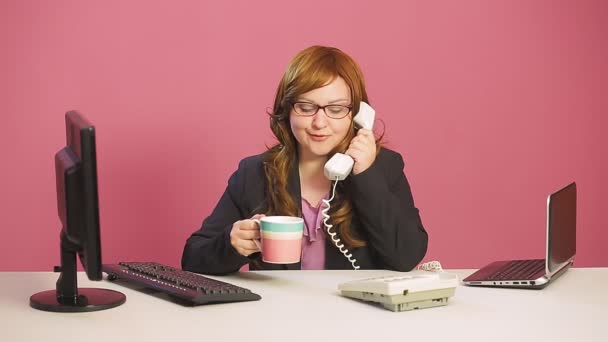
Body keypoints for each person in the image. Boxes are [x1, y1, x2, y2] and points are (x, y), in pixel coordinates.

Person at [182, 45, 428, 275]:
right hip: (276, 315)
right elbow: (192, 258)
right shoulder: (255, 172)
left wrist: (365, 175)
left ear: (357, 114)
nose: (319, 123)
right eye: (306, 107)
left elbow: (406, 255)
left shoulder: (383, 167)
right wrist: (231, 244)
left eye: (336, 109)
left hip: (357, 317)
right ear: (287, 108)